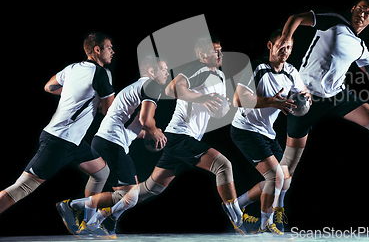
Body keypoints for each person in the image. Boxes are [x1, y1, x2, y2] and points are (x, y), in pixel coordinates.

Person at [79, 36, 257, 235]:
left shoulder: (221, 77)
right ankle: (238, 219)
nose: (219, 54)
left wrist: (220, 108)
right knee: (223, 166)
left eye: (220, 50)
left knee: (147, 190)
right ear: (201, 55)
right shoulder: (196, 70)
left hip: (184, 139)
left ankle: (105, 216)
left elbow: (216, 108)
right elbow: (174, 88)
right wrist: (203, 98)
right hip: (181, 136)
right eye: (214, 50)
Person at [274, 0, 369, 205]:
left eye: (366, 13)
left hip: (336, 96)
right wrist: (287, 37)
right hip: (305, 96)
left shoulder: (360, 47)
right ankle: (277, 207)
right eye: (359, 9)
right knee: (289, 162)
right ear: (353, 8)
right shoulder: (334, 21)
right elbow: (295, 18)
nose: (361, 13)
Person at [0, 33, 115, 216]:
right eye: (109, 47)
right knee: (22, 188)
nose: (113, 51)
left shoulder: (72, 68)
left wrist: (72, 94)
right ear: (97, 49)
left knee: (101, 173)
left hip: (74, 142)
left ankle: (88, 222)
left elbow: (49, 86)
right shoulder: (100, 74)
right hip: (59, 140)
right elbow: (109, 112)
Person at [56, 56, 169, 238]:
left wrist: (150, 132)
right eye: (163, 69)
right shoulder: (152, 86)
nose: (166, 72)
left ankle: (94, 221)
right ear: (151, 72)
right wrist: (155, 131)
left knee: (128, 196)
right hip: (111, 141)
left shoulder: (138, 87)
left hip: (106, 140)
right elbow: (145, 120)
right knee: (131, 195)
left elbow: (136, 127)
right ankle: (80, 211)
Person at [231, 30, 310, 235]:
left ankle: (237, 205)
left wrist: (305, 98)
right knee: (275, 177)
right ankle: (266, 223)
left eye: (289, 48)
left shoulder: (291, 71)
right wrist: (272, 102)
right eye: (281, 46)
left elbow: (303, 92)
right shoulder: (256, 68)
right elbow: (237, 99)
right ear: (270, 46)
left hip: (267, 132)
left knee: (285, 179)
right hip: (245, 129)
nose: (285, 51)